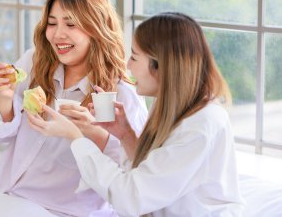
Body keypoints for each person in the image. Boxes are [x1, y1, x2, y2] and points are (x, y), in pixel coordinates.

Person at [27, 12, 245, 216]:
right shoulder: (170, 104)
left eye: (134, 57)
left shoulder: (200, 125)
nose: (128, 66)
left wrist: (75, 138)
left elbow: (132, 197)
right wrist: (126, 135)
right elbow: (153, 172)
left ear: (160, 66)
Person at [0, 0, 148, 217]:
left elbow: (131, 173)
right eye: (52, 23)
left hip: (70, 211)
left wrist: (92, 133)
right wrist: (5, 98)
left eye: (71, 25)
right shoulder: (34, 62)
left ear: (96, 27)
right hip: (11, 201)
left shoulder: (120, 91)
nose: (58, 34)